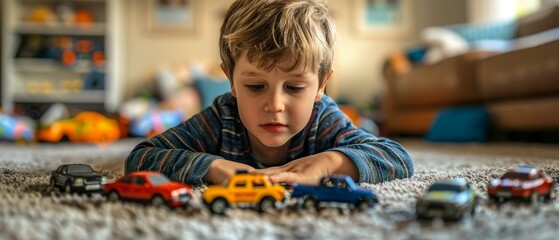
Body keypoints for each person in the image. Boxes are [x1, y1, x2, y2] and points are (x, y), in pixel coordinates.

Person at [124, 0, 414, 186]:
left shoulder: (322, 116)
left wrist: (330, 162)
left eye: (294, 87)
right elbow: (143, 156)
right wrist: (213, 167)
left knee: (365, 132)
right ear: (232, 82)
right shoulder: (222, 117)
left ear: (321, 85)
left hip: (339, 134)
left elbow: (397, 158)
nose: (275, 105)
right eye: (255, 86)